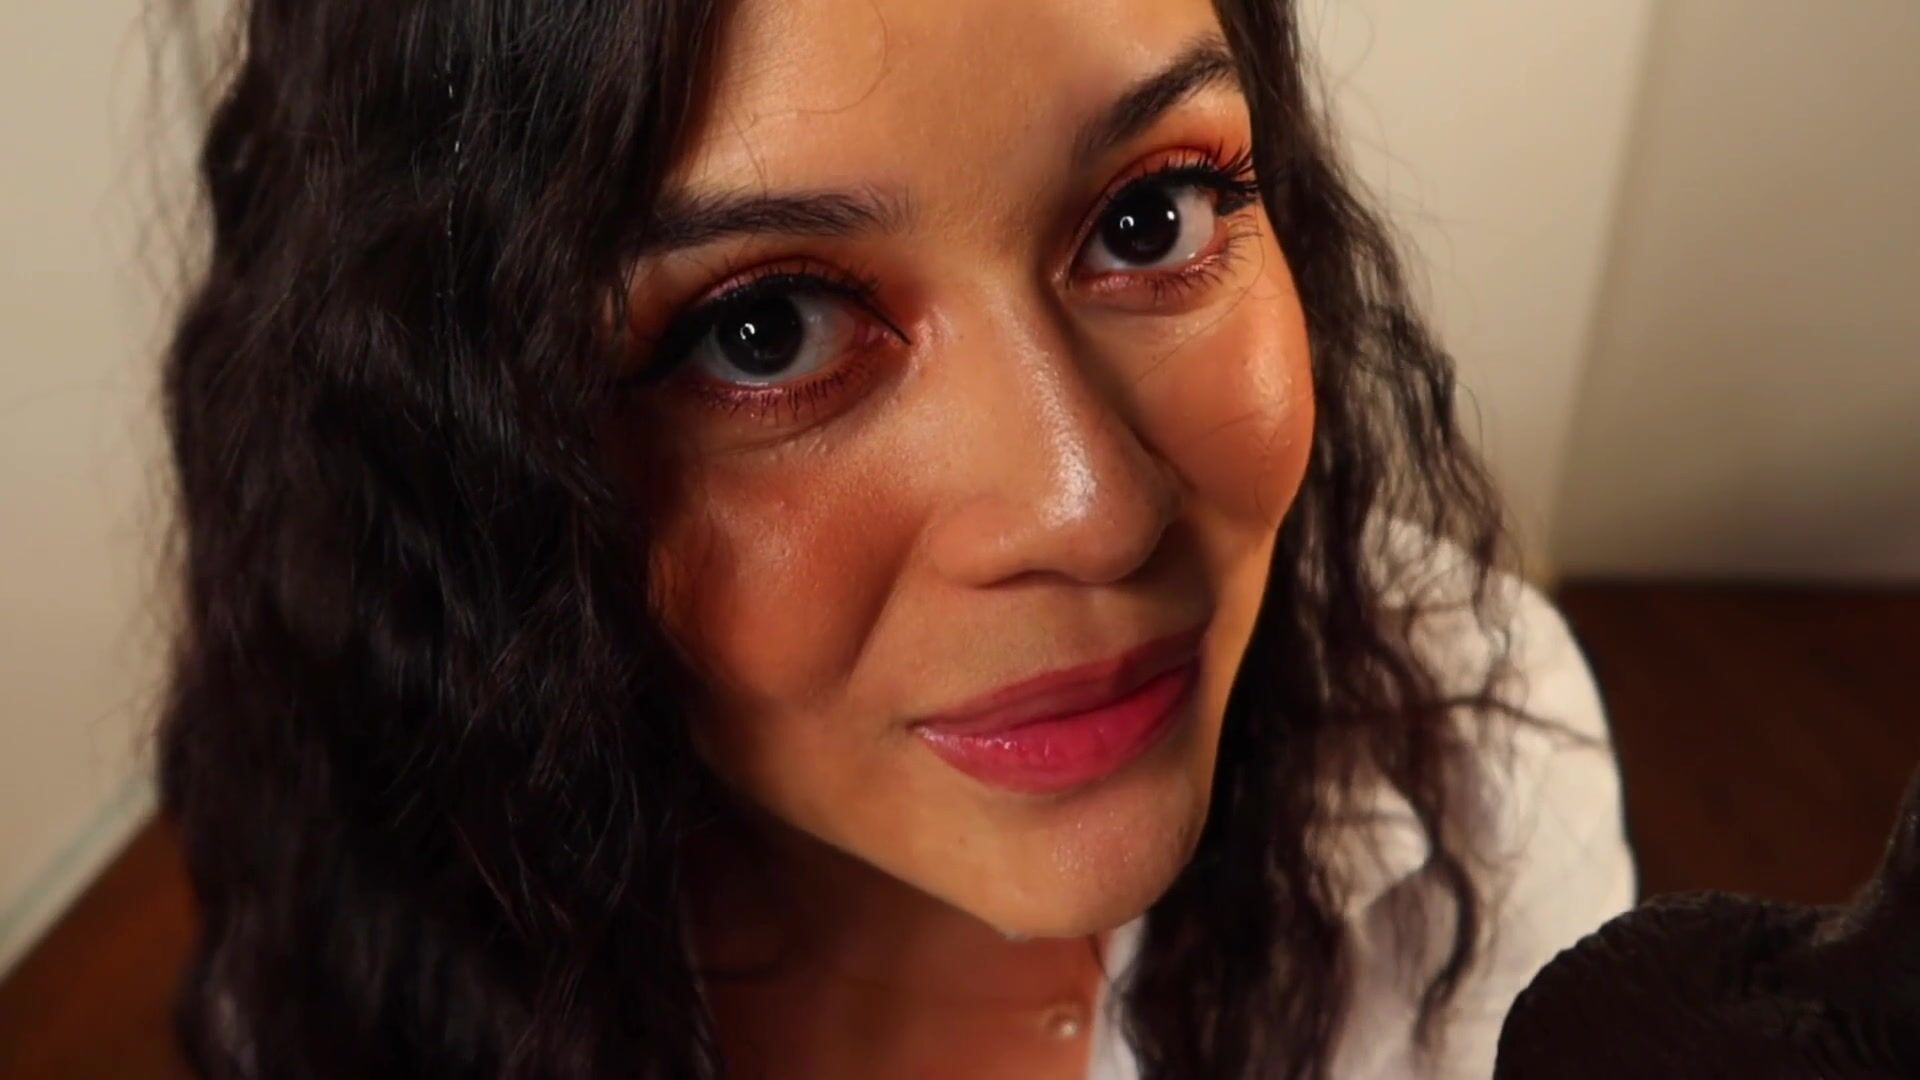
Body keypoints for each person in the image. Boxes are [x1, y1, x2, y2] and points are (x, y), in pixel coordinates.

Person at [155, 0, 1637, 1076]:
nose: (1092, 510)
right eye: (764, 329)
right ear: (460, 444)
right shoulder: (361, 914)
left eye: (1152, 218)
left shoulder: (1485, 748)